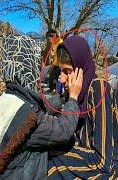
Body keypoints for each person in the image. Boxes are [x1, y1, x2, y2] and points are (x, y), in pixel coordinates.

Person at [0, 35, 83, 179]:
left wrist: (62, 99)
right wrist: (73, 98)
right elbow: (62, 131)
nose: (41, 69)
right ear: (27, 67)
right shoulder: (28, 117)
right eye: (37, 64)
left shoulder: (11, 98)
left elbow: (39, 107)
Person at [48, 36, 118, 179]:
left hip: (107, 169)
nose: (62, 79)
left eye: (67, 71)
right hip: (82, 162)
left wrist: (57, 150)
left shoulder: (98, 89)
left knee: (49, 164)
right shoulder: (72, 97)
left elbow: (102, 162)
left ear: (81, 69)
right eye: (61, 71)